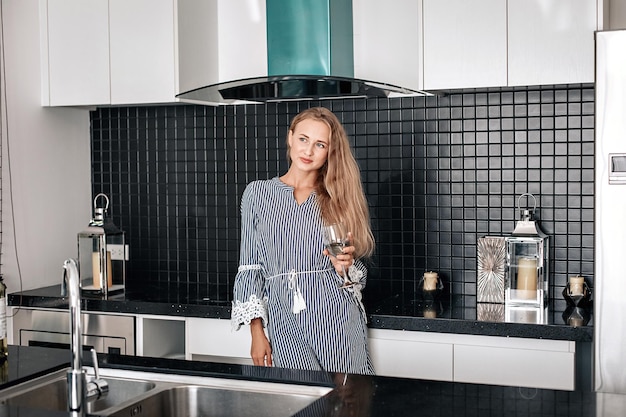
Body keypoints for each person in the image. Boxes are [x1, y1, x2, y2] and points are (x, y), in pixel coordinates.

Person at [231, 106, 376, 375]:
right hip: (283, 316)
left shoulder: (336, 199)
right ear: (290, 137)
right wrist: (256, 332)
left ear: (329, 152)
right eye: (303, 139)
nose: (308, 151)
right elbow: (250, 266)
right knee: (301, 401)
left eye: (320, 144)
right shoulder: (257, 195)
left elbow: (345, 270)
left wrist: (344, 263)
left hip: (335, 318)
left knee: (346, 404)